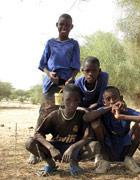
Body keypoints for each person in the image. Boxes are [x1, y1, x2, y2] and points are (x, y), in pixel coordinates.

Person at [28, 13, 80, 164]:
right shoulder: (50, 43)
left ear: (72, 27)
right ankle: (36, 151)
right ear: (57, 25)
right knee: (44, 115)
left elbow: (76, 67)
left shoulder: (73, 44)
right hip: (51, 85)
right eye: (61, 24)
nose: (64, 28)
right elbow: (43, 64)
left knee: (67, 117)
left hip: (67, 87)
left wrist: (70, 80)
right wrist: (49, 74)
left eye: (67, 25)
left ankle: (66, 149)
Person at [25, 84, 100, 177]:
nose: (72, 104)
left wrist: (72, 148)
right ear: (63, 100)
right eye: (68, 100)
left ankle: (74, 163)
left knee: (95, 146)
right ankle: (50, 164)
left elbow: (88, 137)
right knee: (30, 142)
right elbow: (38, 134)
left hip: (74, 148)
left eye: (76, 100)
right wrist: (51, 148)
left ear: (79, 100)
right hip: (55, 146)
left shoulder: (82, 116)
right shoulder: (55, 115)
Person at [83, 86, 140, 174]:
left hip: (125, 145)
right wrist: (109, 108)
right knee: (95, 123)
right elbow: (86, 118)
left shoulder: (125, 110)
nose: (112, 101)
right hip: (108, 146)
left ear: (121, 98)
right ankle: (105, 160)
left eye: (115, 97)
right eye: (108, 99)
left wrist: (122, 116)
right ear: (104, 102)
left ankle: (128, 158)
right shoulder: (103, 110)